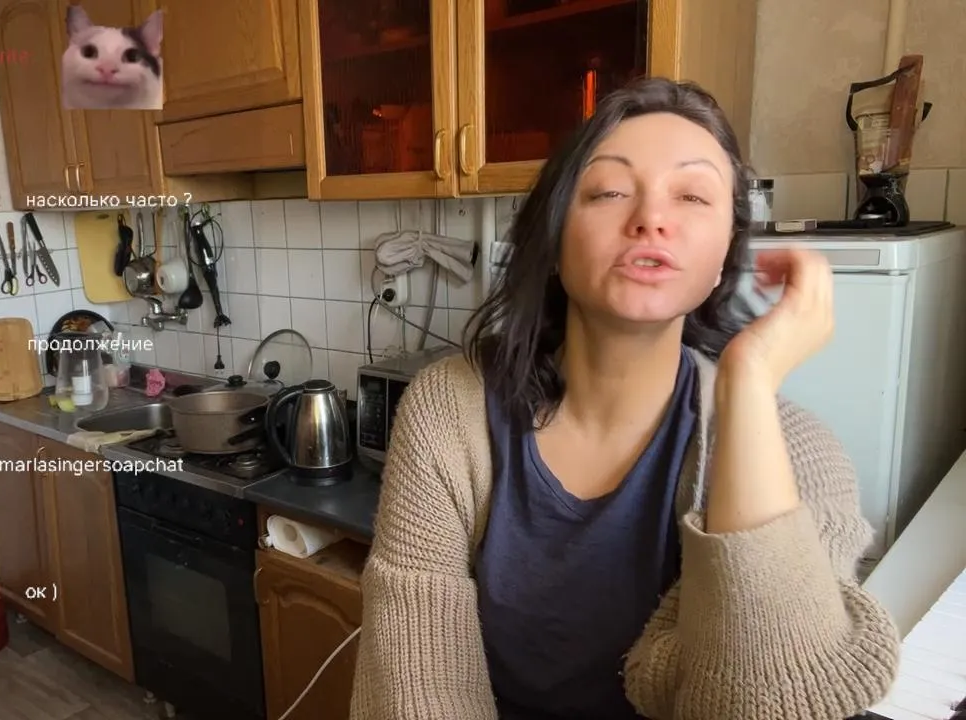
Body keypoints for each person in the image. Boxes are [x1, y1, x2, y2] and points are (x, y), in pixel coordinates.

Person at [349, 78, 901, 720]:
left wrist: (747, 382)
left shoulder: (798, 452)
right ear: (554, 239)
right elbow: (419, 690)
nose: (650, 219)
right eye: (609, 191)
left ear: (724, 255)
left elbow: (773, 700)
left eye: (692, 196)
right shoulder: (450, 410)